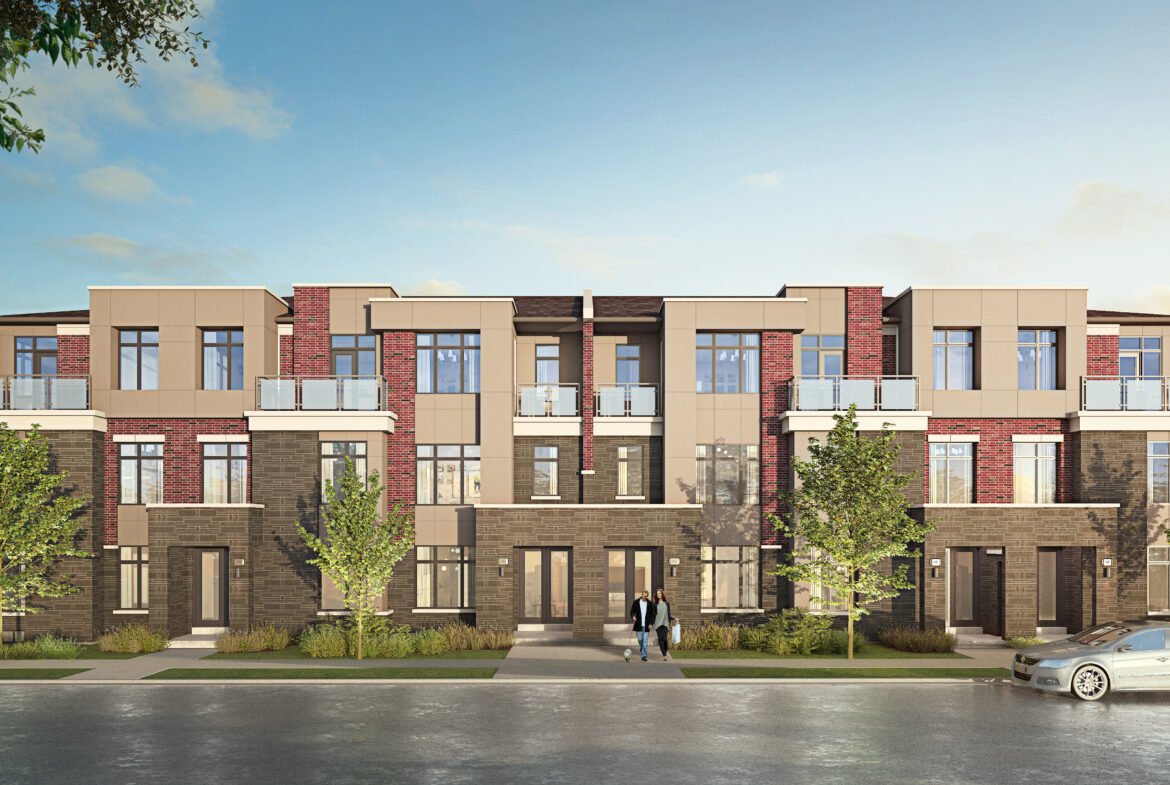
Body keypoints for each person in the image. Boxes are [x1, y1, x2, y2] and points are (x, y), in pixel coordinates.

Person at [651, 588, 676, 661]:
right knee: (660, 639)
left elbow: (668, 614)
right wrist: (651, 623)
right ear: (656, 595)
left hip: (665, 624)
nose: (658, 595)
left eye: (660, 593)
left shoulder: (666, 603)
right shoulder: (655, 604)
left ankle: (665, 650)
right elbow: (653, 615)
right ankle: (664, 655)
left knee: (664, 639)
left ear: (662, 594)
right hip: (657, 624)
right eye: (657, 593)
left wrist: (674, 618)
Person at [629, 590, 653, 661]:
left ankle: (644, 656)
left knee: (645, 641)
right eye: (643, 596)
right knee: (640, 639)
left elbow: (652, 615)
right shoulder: (636, 602)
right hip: (639, 624)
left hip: (646, 625)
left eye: (646, 596)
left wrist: (651, 623)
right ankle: (642, 647)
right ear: (641, 595)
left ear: (647, 596)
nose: (644, 597)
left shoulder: (650, 604)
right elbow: (632, 611)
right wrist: (633, 616)